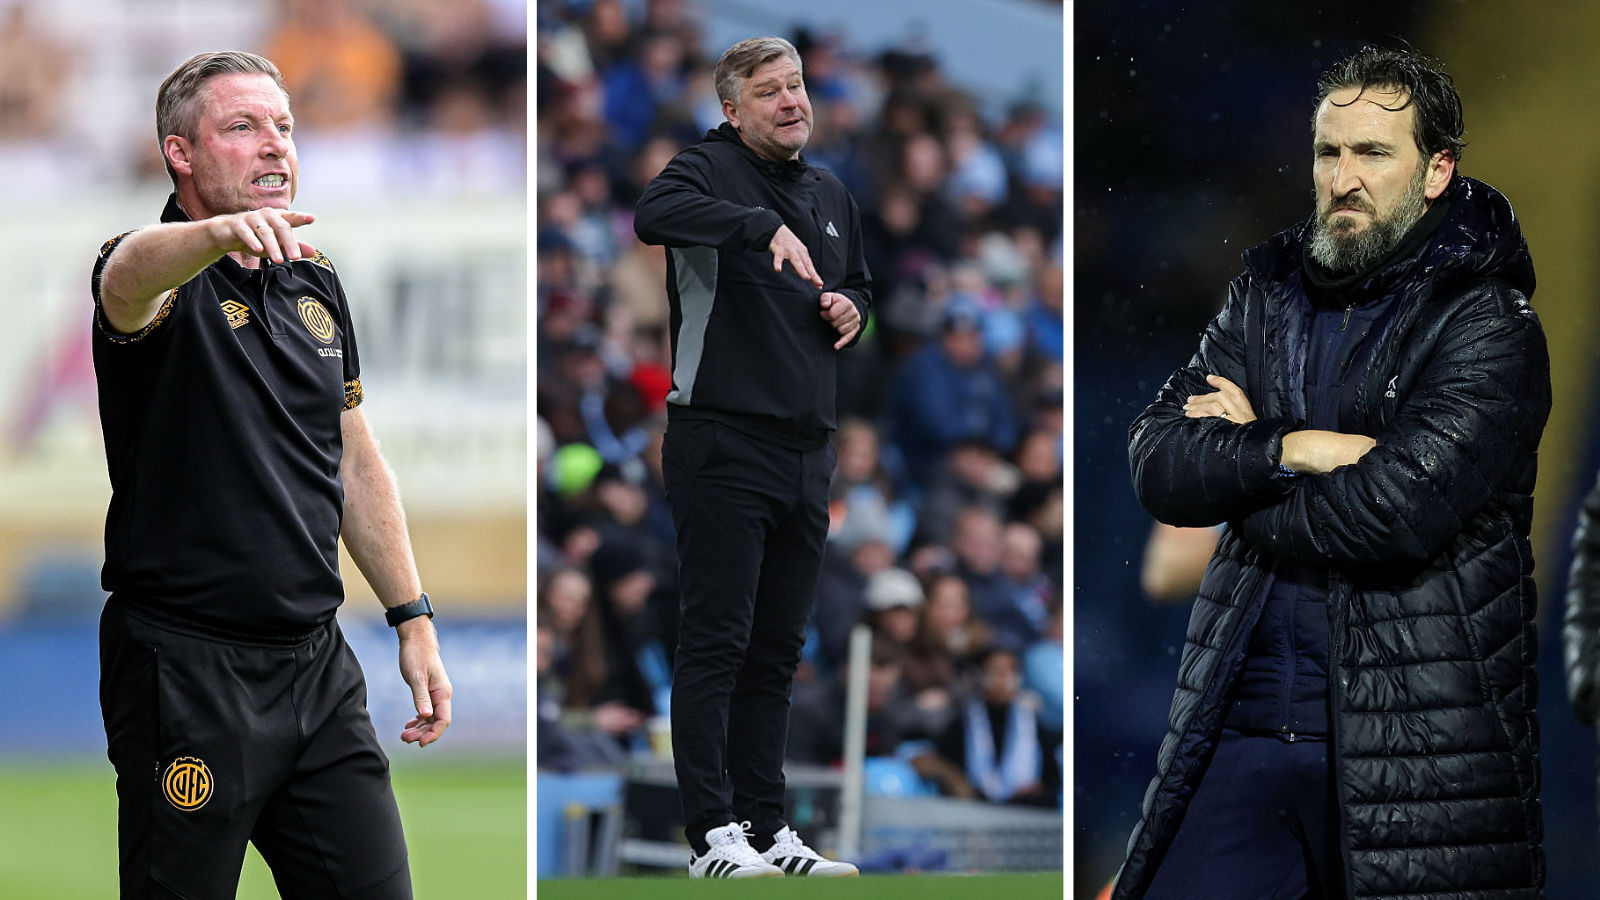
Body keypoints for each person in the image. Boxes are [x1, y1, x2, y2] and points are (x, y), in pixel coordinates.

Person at [1117, 47, 1549, 899]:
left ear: (1436, 170)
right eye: (1328, 152)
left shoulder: (1490, 322)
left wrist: (1243, 477)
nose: (1342, 178)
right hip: (1238, 728)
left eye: (1372, 153)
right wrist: (1297, 450)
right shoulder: (1262, 294)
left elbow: (1397, 513)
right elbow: (1158, 462)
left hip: (1418, 752)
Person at [91, 51, 451, 899]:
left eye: (283, 126)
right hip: (185, 669)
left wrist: (412, 617)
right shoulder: (153, 277)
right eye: (243, 127)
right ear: (181, 154)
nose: (274, 145)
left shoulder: (314, 280)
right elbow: (126, 273)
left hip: (318, 668)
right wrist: (217, 236)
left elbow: (354, 458)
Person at [634, 35, 870, 880]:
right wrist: (757, 224)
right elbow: (651, 215)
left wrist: (852, 310)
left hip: (808, 449)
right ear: (732, 110)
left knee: (777, 651)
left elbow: (859, 285)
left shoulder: (832, 192)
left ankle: (769, 829)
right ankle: (711, 834)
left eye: (796, 85)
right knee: (717, 642)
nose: (791, 100)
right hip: (722, 438)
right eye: (769, 91)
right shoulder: (704, 169)